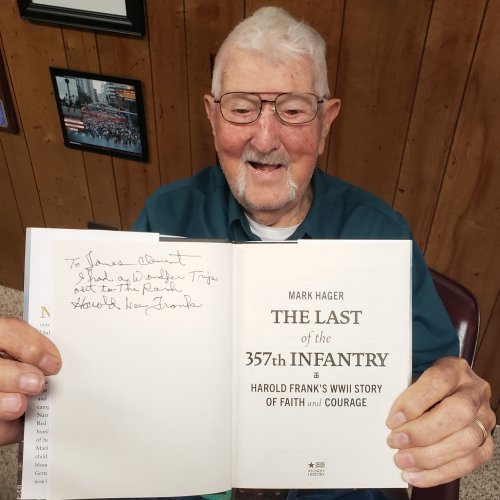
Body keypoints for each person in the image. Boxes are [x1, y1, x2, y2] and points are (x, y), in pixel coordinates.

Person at [0, 6, 494, 500]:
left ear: (327, 120)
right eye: (241, 108)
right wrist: (42, 399)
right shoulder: (167, 215)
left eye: (294, 109)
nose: (264, 137)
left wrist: (456, 398)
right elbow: (116, 366)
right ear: (212, 115)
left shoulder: (382, 235)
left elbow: (435, 375)